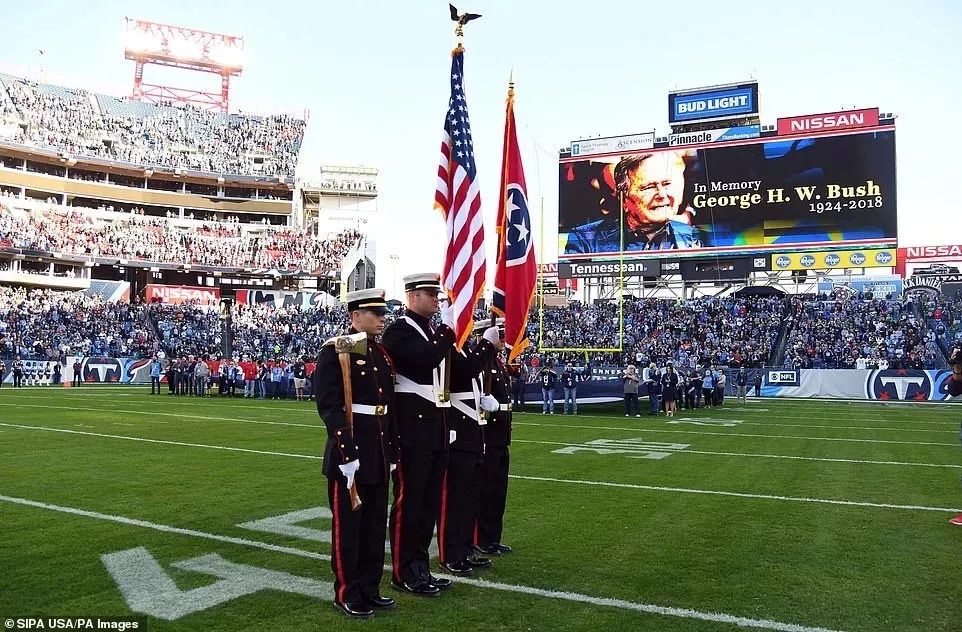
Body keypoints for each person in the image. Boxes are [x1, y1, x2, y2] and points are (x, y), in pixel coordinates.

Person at [314, 288, 397, 619]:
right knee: (349, 528)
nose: (381, 319)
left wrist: (391, 450)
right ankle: (347, 591)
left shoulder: (380, 354)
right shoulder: (337, 351)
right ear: (355, 317)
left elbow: (386, 407)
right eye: (375, 314)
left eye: (382, 313)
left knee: (376, 525)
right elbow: (330, 405)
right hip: (351, 452)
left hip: (377, 450)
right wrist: (345, 449)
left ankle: (371, 588)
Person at [381, 273, 457, 597]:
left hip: (435, 432)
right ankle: (403, 572)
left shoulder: (427, 330)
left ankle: (421, 569)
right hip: (413, 434)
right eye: (429, 294)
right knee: (409, 506)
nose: (436, 300)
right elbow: (427, 360)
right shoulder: (399, 330)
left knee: (427, 509)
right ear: (411, 295)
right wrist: (448, 330)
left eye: (437, 295)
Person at [438, 323, 498, 576]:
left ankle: (464, 549)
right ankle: (450, 554)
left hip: (473, 433)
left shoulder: (463, 351)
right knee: (455, 501)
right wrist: (487, 343)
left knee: (469, 498)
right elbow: (470, 370)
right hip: (458, 434)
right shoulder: (450, 351)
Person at [564, 152, 701, 254]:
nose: (662, 195)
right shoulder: (585, 240)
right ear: (624, 198)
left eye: (666, 184)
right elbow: (574, 288)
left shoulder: (696, 237)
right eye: (648, 187)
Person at [474, 331, 514, 557]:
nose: (503, 339)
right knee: (486, 490)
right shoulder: (481, 363)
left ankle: (493, 538)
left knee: (498, 492)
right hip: (488, 434)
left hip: (501, 435)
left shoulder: (498, 363)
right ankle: (481, 538)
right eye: (499, 335)